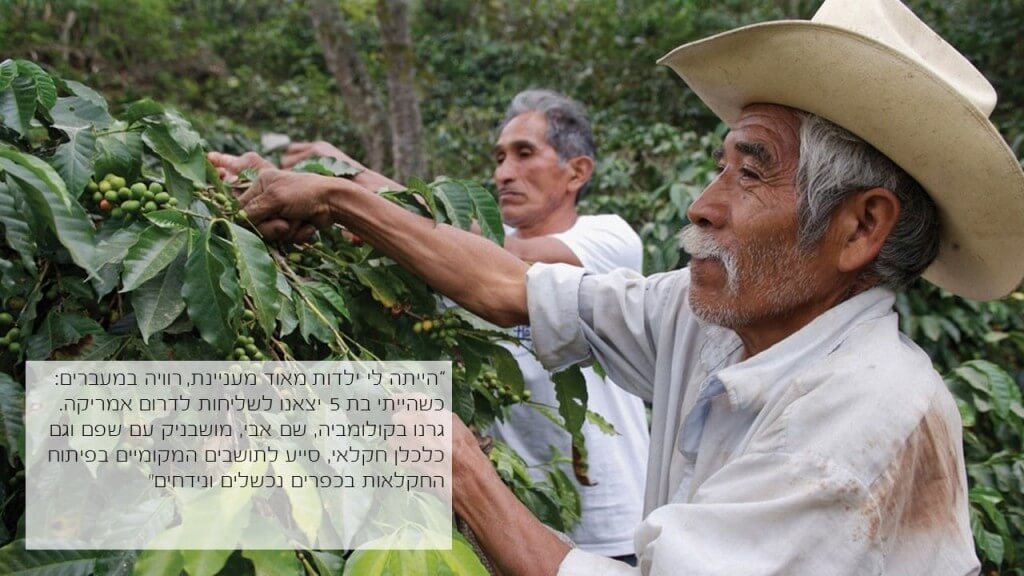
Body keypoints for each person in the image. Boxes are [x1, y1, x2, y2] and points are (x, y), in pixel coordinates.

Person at [213, 0, 1024, 573]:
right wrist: (339, 197)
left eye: (750, 171)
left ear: (859, 228)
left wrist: (456, 466)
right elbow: (513, 287)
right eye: (719, 164)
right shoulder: (714, 314)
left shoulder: (865, 422)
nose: (703, 206)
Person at [214, 90, 651, 562]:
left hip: (618, 529)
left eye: (525, 154)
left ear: (577, 172)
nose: (504, 173)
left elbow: (498, 262)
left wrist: (343, 177)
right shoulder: (450, 266)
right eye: (500, 157)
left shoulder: (607, 239)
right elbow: (404, 240)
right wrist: (271, 190)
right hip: (515, 524)